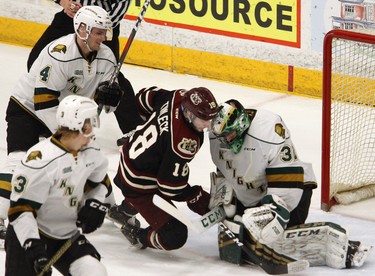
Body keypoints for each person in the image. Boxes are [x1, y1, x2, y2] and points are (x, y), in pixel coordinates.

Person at [0, 6, 124, 243]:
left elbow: (101, 105)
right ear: (82, 30)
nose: (104, 38)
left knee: (91, 156)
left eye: (105, 32)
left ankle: (113, 208)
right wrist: (66, 138)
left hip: (70, 118)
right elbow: (43, 103)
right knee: (21, 161)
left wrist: (111, 99)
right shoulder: (58, 53)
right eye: (98, 32)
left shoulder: (107, 58)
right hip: (27, 109)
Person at [208, 99, 372, 269]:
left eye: (230, 134)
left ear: (241, 124)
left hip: (294, 191)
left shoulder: (267, 129)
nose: (226, 140)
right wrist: (224, 198)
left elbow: (287, 175)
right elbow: (224, 168)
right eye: (222, 135)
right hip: (250, 195)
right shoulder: (215, 135)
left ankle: (334, 246)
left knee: (273, 235)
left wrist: (273, 211)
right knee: (236, 234)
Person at [5, 95, 110, 276]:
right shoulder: (41, 160)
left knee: (94, 272)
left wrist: (95, 203)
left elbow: (101, 182)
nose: (93, 130)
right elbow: (20, 210)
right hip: (29, 236)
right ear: (81, 126)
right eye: (90, 123)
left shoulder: (91, 151)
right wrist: (34, 249)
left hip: (66, 235)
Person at [110, 86, 220, 250]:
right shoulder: (184, 141)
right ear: (188, 113)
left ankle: (123, 211)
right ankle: (138, 236)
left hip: (128, 158)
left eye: (211, 118)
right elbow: (169, 187)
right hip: (138, 184)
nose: (207, 124)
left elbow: (144, 98)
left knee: (157, 168)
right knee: (174, 235)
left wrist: (141, 127)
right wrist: (193, 196)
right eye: (202, 119)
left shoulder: (177, 96)